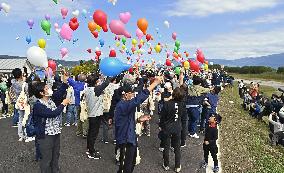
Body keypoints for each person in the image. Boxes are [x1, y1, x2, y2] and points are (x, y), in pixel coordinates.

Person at [115, 77, 161, 173]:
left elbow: (126, 120)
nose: (133, 95)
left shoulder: (125, 104)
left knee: (131, 163)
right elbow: (139, 99)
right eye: (131, 93)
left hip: (131, 137)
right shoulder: (122, 105)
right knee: (125, 167)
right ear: (126, 95)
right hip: (126, 139)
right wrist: (154, 84)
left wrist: (138, 119)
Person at [33, 73, 70, 173]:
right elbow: (52, 113)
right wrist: (63, 104)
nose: (49, 88)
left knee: (55, 156)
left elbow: (61, 91)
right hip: (45, 136)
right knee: (46, 159)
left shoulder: (51, 99)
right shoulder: (38, 105)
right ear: (41, 93)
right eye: (46, 88)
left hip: (55, 133)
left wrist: (65, 81)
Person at [159, 87, 187, 172]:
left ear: (173, 94)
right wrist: (183, 132)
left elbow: (162, 117)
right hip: (177, 128)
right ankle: (177, 166)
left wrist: (160, 126)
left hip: (167, 128)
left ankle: (166, 164)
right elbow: (184, 119)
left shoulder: (167, 104)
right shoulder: (182, 105)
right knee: (177, 148)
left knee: (166, 147)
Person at [85, 74, 110, 159]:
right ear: (95, 81)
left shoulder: (88, 89)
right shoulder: (96, 89)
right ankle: (91, 152)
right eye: (98, 80)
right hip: (95, 115)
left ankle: (89, 149)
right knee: (93, 134)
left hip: (91, 114)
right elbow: (106, 83)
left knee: (90, 133)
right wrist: (110, 74)